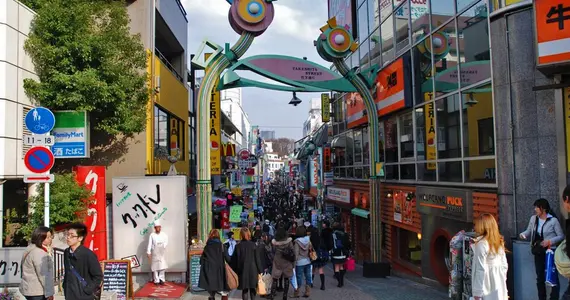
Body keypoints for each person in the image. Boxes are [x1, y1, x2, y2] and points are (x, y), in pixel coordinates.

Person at [520, 198, 564, 300]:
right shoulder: (533, 219)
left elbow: (561, 236)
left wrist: (550, 241)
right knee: (540, 277)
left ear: (543, 208)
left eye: (537, 207)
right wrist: (524, 234)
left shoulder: (553, 220)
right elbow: (529, 230)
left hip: (550, 251)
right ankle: (542, 298)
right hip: (538, 251)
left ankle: (554, 298)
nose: (535, 209)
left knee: (552, 276)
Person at [471, 214, 508, 300]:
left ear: (482, 226)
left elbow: (480, 269)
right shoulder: (499, 241)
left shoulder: (481, 244)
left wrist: (477, 292)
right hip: (499, 282)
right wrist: (503, 281)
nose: (475, 227)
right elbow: (504, 265)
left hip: (486, 283)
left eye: (476, 224)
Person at [62, 223, 103, 300]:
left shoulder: (88, 254)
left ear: (80, 238)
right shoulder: (66, 252)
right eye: (67, 234)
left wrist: (87, 290)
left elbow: (98, 276)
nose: (68, 237)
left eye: (72, 235)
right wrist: (65, 286)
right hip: (69, 294)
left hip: (84, 296)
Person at [19, 226, 55, 300]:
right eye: (47, 237)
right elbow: (44, 275)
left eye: (50, 237)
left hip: (29, 289)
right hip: (38, 291)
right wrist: (49, 293)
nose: (50, 239)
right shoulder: (39, 252)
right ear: (40, 237)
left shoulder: (30, 248)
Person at [199, 229, 229, 300]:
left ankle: (212, 296)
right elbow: (228, 258)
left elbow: (201, 260)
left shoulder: (207, 246)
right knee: (223, 291)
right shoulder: (221, 246)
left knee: (211, 291)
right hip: (219, 271)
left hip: (209, 271)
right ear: (218, 236)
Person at [235, 227, 263, 300]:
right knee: (253, 289)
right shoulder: (254, 245)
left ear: (241, 234)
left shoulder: (238, 246)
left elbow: (236, 260)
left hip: (243, 270)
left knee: (245, 290)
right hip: (253, 270)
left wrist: (237, 271)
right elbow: (258, 259)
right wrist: (260, 271)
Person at [270, 228, 295, 300]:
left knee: (275, 278)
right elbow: (292, 251)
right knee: (286, 278)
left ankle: (272, 295)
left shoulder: (275, 242)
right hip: (287, 262)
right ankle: (285, 296)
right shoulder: (289, 242)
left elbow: (273, 251)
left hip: (277, 261)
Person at [147, 220, 169, 285]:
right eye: (157, 227)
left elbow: (166, 241)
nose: (158, 228)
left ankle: (161, 279)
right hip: (154, 252)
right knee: (155, 267)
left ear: (160, 227)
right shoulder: (152, 235)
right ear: (155, 228)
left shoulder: (164, 234)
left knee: (163, 265)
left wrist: (163, 246)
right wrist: (148, 252)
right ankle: (156, 280)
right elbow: (150, 244)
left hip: (161, 251)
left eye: (159, 227)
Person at [293, 226, 312, 297]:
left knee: (299, 277)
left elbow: (296, 253)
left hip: (299, 262)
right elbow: (310, 250)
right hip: (308, 260)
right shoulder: (308, 240)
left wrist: (294, 263)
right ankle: (307, 292)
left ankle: (297, 293)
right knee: (308, 276)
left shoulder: (297, 242)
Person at [331, 222, 350, 288]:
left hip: (335, 252)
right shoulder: (344, 234)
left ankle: (339, 282)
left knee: (336, 268)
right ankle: (342, 282)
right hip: (343, 252)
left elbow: (331, 244)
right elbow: (347, 244)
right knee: (341, 267)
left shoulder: (333, 234)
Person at [310, 226, 328, 291]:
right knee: (321, 270)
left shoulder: (311, 240)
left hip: (313, 256)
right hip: (320, 257)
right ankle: (322, 285)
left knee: (313, 270)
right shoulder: (321, 239)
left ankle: (311, 283)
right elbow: (324, 248)